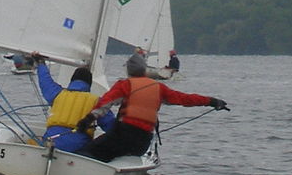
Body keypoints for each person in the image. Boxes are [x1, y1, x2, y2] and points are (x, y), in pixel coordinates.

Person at [84, 53, 227, 163]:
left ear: (129, 71)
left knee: (86, 153)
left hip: (122, 137)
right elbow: (185, 99)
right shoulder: (159, 88)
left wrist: (87, 120)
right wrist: (212, 101)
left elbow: (104, 105)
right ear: (144, 71)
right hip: (142, 142)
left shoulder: (124, 85)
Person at [31, 57, 111, 155]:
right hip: (78, 149)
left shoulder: (58, 94)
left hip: (52, 142)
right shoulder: (96, 101)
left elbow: (45, 81)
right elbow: (111, 126)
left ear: (72, 81)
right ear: (89, 84)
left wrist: (41, 64)